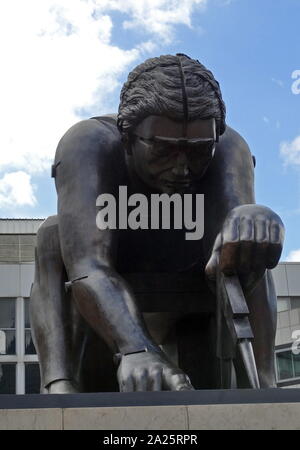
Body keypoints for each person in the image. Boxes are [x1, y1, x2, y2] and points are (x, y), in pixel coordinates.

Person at [30, 54, 284, 393]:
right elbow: (88, 265)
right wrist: (136, 348)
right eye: (163, 150)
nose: (182, 167)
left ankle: (263, 386)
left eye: (197, 151)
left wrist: (255, 221)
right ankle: (59, 385)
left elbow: (233, 261)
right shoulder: (88, 143)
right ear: (128, 137)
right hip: (108, 278)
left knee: (251, 245)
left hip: (195, 278)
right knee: (52, 234)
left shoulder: (228, 148)